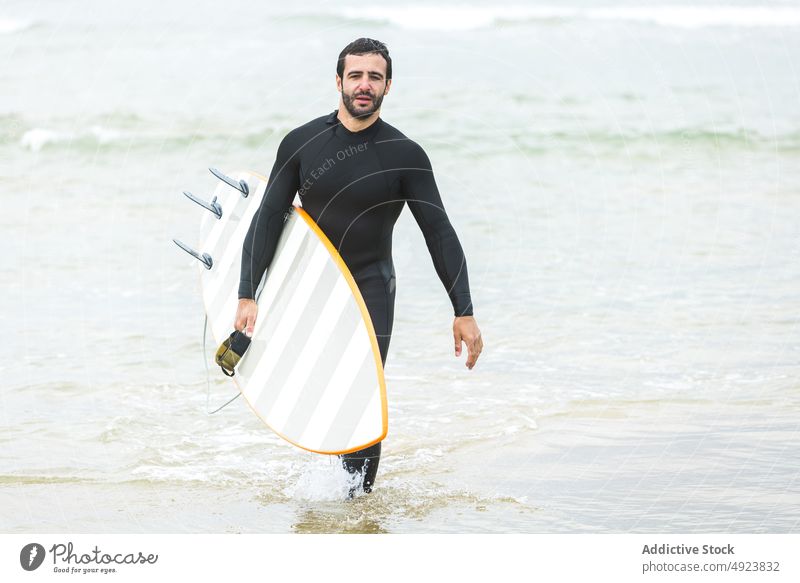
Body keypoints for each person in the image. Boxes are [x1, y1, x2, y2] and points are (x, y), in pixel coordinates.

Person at [234, 38, 483, 495]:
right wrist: (247, 292)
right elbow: (269, 217)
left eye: (374, 76)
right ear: (338, 81)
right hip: (308, 286)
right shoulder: (302, 143)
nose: (364, 85)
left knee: (360, 394)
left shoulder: (405, 154)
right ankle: (324, 492)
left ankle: (354, 502)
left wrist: (462, 309)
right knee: (316, 389)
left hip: (370, 287)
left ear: (389, 85)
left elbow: (439, 231)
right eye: (355, 75)